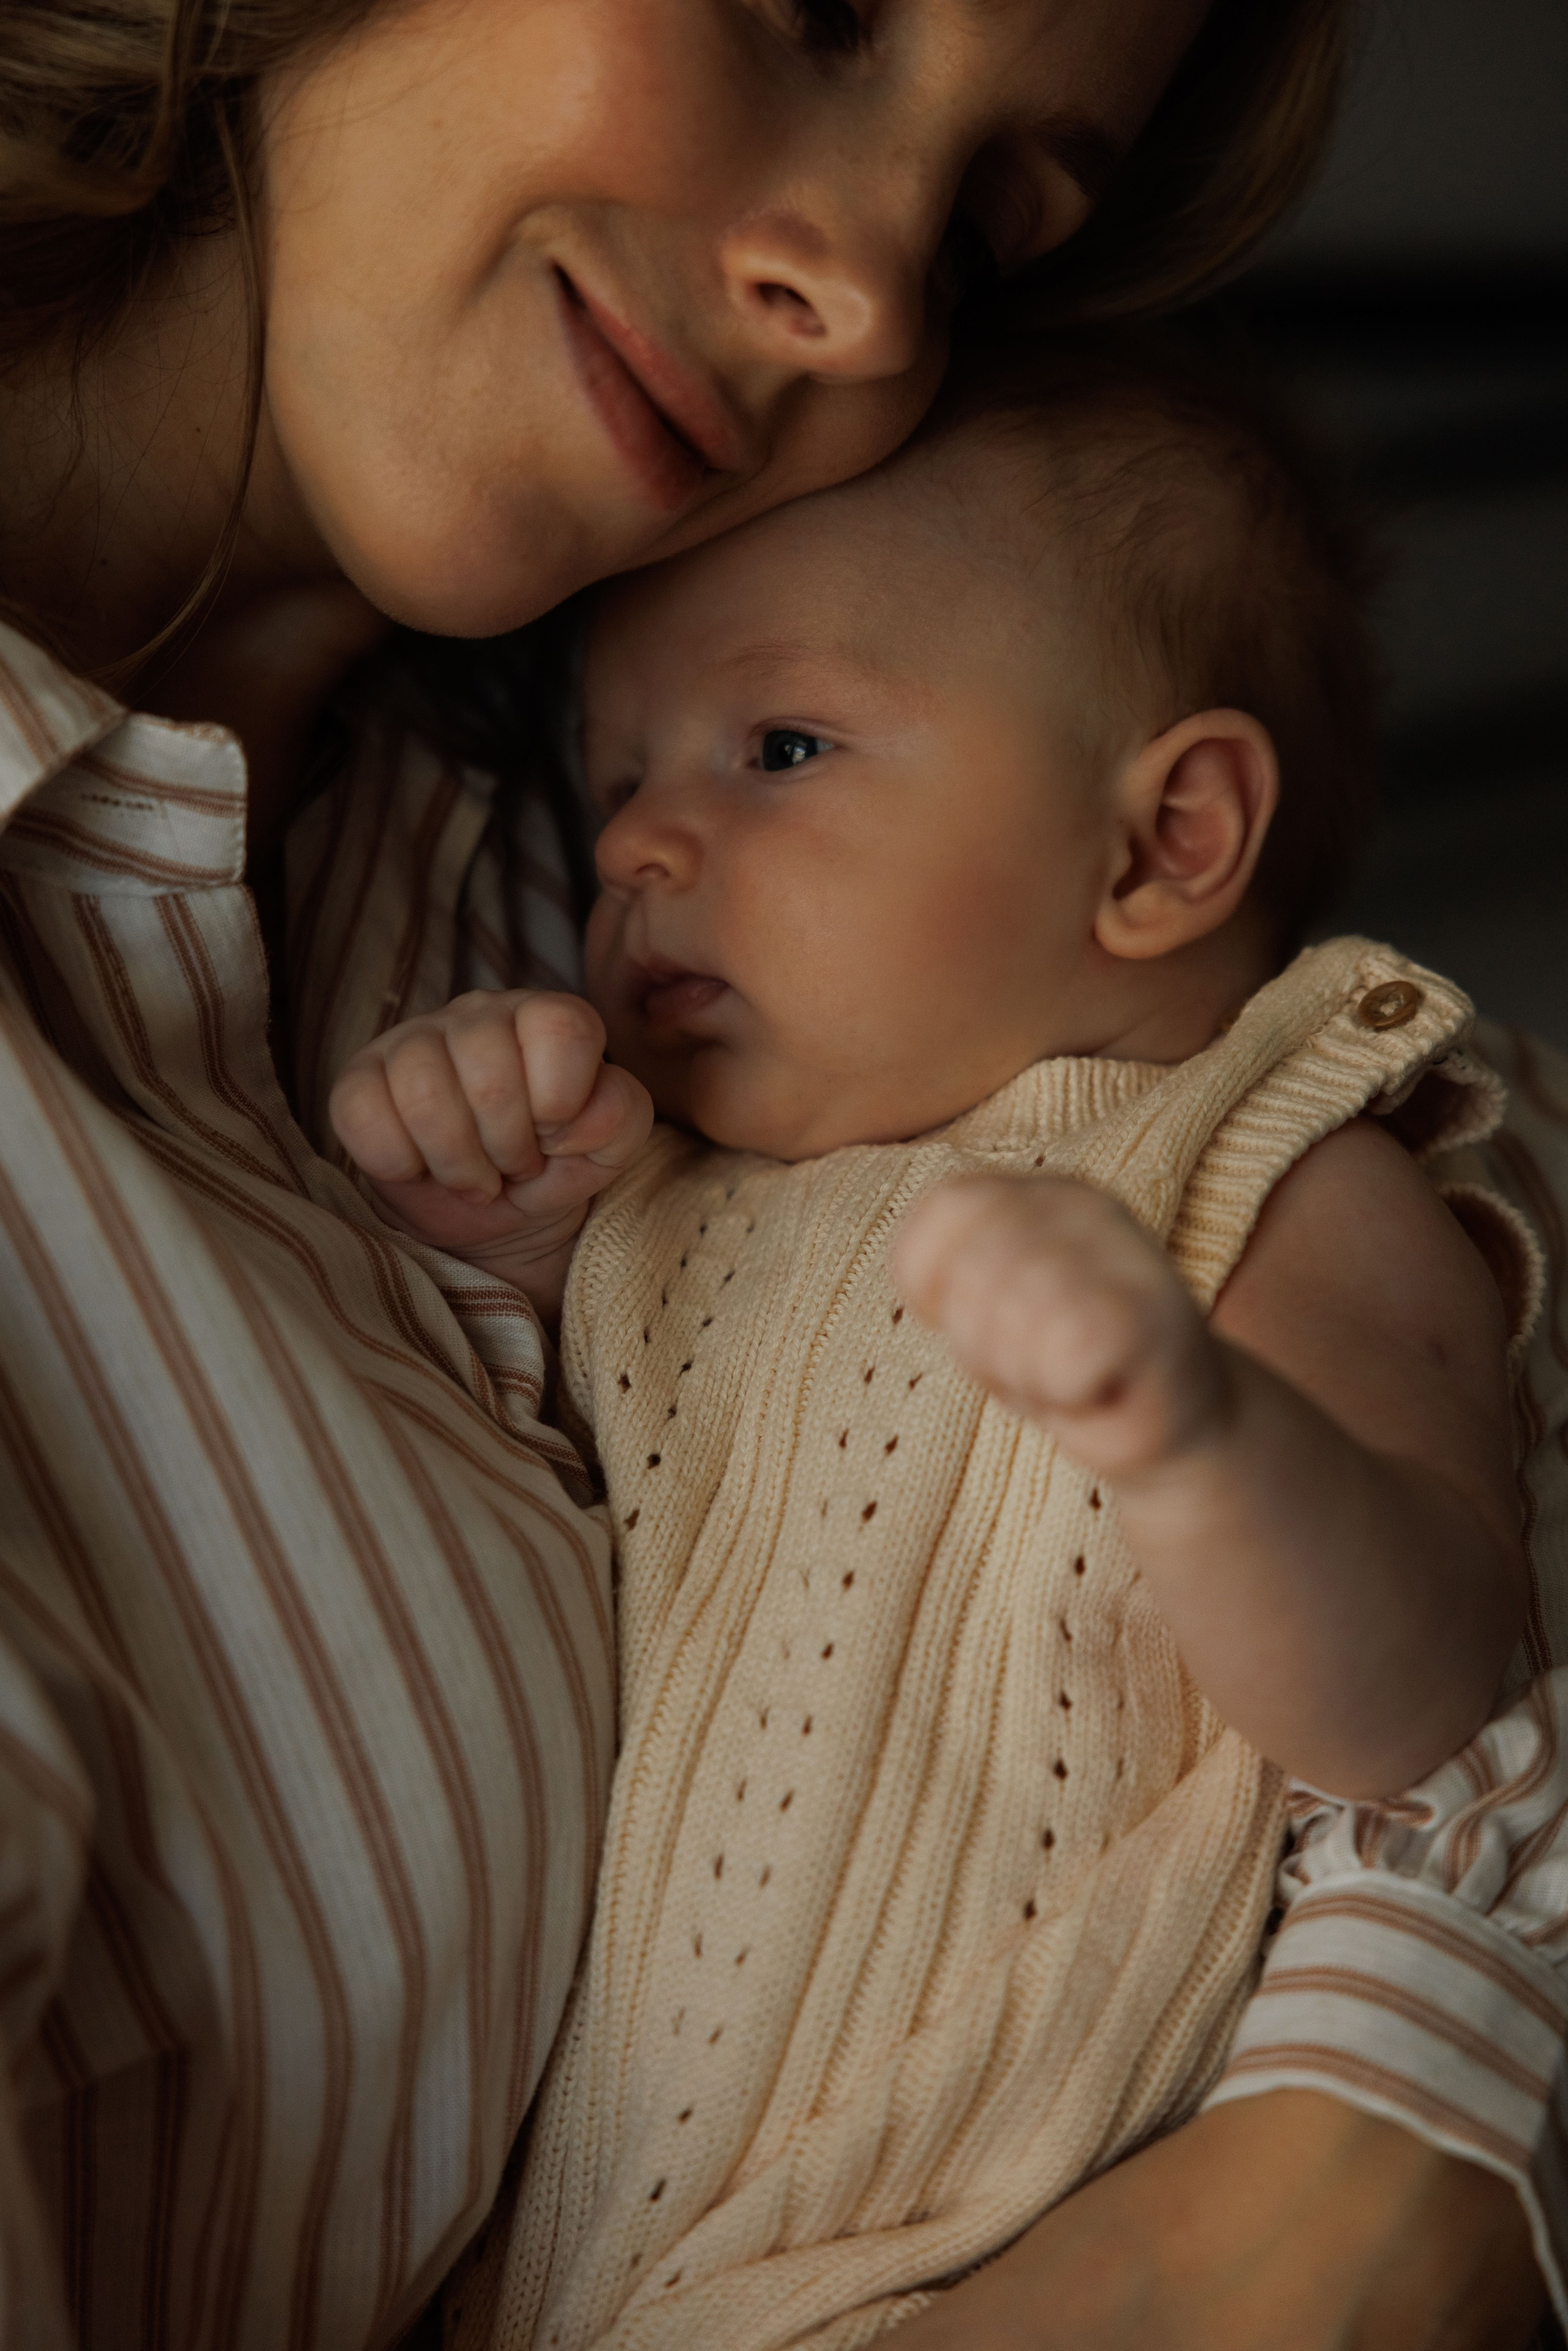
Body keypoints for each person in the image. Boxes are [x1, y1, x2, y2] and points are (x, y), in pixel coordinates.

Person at [0, 2, 1561, 2346]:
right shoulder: (667, 1039)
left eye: (991, 220)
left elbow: (1460, 1655)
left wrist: (1381, 2132)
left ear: (1168, 841)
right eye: (813, 4)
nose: (873, 301)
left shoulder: (942, 1058)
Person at [328, 338, 1543, 2348]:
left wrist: (1193, 1431)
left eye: (780, 746)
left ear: (1162, 843)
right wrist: (499, 1218)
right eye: (617, 780)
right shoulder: (670, 1191)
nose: (633, 846)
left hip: (1012, 2239)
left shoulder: (1257, 1161)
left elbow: (1428, 1692)